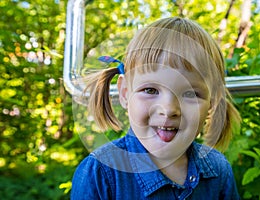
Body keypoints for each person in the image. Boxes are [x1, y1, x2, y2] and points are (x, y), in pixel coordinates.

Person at [71, 17, 241, 200]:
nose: (168, 110)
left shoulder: (218, 170)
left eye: (190, 94)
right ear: (125, 93)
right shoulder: (100, 174)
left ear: (212, 102)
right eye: (150, 90)